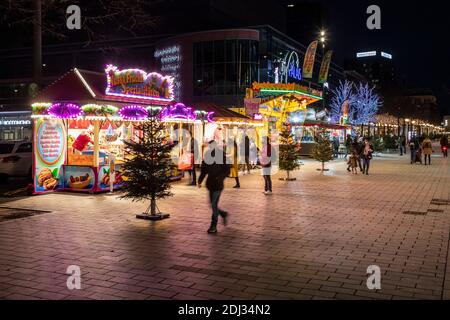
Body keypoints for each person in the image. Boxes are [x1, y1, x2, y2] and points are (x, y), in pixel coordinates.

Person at [198, 141, 231, 234]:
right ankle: (223, 214)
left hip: (218, 185)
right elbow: (204, 170)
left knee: (213, 204)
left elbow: (227, 169)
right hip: (210, 184)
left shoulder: (221, 155)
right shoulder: (208, 155)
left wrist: (220, 178)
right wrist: (200, 180)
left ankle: (213, 225)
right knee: (212, 204)